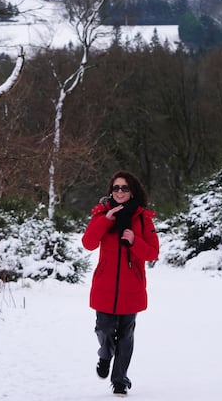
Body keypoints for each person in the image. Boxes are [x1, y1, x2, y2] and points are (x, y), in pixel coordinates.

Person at [81, 170, 160, 397]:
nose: (120, 192)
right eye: (116, 188)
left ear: (132, 190)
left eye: (124, 188)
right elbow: (88, 243)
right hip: (105, 285)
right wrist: (106, 221)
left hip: (131, 286)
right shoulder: (102, 214)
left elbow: (153, 253)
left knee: (126, 335)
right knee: (104, 329)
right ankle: (105, 355)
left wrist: (134, 241)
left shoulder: (143, 218)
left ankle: (120, 380)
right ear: (111, 191)